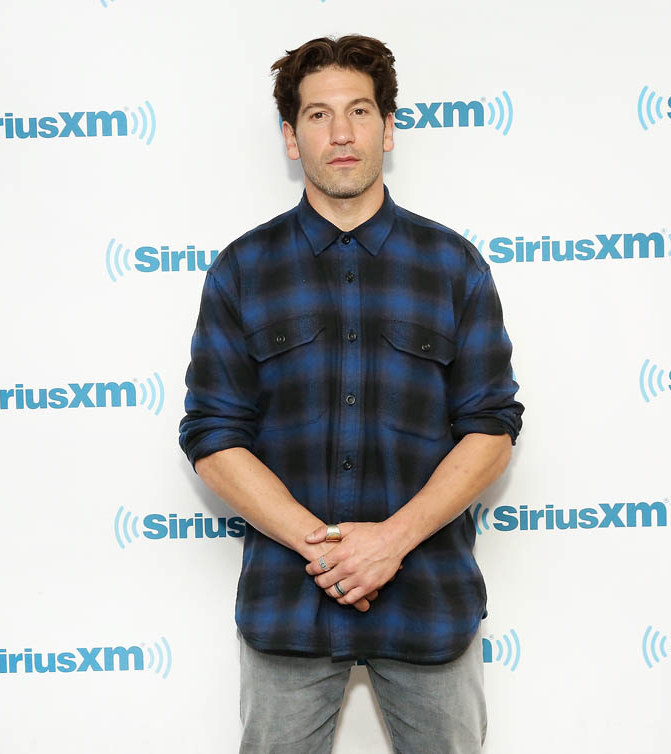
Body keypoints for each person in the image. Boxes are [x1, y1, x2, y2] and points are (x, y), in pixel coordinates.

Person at [178, 34, 523, 754]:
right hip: (288, 607)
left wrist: (390, 542)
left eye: (360, 111)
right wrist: (331, 549)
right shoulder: (242, 269)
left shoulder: (453, 266)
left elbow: (491, 427)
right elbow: (213, 434)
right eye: (318, 115)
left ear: (388, 129)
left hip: (428, 602)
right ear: (290, 137)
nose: (341, 133)